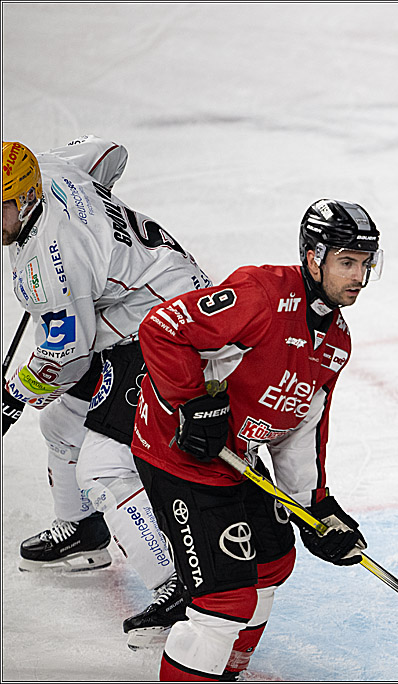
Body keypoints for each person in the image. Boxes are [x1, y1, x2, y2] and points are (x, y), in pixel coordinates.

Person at [130, 199, 382, 680]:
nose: (358, 276)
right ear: (314, 257)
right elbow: (162, 330)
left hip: (232, 456)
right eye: (346, 262)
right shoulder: (260, 294)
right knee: (225, 600)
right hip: (175, 449)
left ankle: (225, 672)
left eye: (365, 264)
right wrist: (190, 402)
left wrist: (315, 507)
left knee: (272, 563)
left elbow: (299, 429)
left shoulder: (336, 342)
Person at [2, 137, 212, 647]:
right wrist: (102, 228)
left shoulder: (55, 261)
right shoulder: (49, 168)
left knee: (103, 463)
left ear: (27, 199)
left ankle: (178, 584)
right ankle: (83, 531)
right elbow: (106, 152)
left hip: (162, 327)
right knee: (59, 423)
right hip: (143, 301)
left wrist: (11, 395)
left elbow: (64, 358)